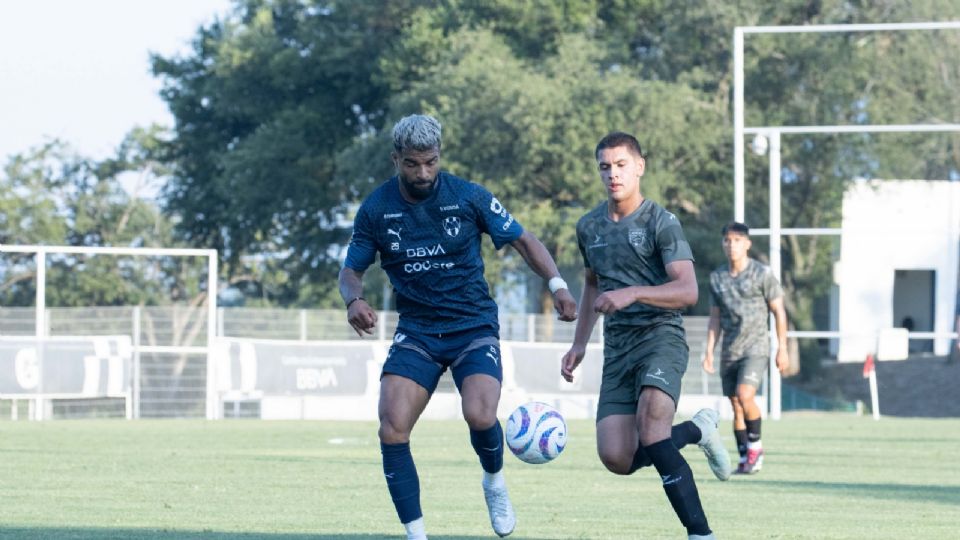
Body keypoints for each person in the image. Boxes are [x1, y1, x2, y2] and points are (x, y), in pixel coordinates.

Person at [338, 114, 578, 540]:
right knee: (392, 426)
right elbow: (350, 271)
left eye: (430, 162)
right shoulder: (376, 209)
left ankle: (494, 482)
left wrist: (557, 285)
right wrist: (354, 299)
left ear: (439, 155)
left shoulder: (468, 196)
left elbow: (524, 239)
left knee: (479, 413)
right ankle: (417, 535)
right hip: (418, 331)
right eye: (412, 164)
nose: (423, 173)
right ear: (396, 159)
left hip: (472, 325)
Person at [561, 132, 730, 540]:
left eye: (621, 165)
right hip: (618, 349)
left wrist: (633, 293)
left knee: (653, 431)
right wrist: (579, 343)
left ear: (640, 166)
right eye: (605, 167)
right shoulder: (588, 227)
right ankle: (696, 430)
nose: (613, 174)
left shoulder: (661, 222)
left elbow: (688, 291)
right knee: (617, 457)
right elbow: (590, 285)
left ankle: (700, 533)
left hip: (660, 336)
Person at [702, 222, 789, 474]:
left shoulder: (762, 274)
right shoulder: (717, 278)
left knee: (745, 395)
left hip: (756, 347)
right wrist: (709, 350)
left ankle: (756, 448)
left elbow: (779, 312)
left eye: (737, 240)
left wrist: (781, 348)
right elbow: (715, 318)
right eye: (727, 240)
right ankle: (744, 459)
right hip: (730, 349)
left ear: (747, 244)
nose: (732, 245)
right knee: (735, 404)